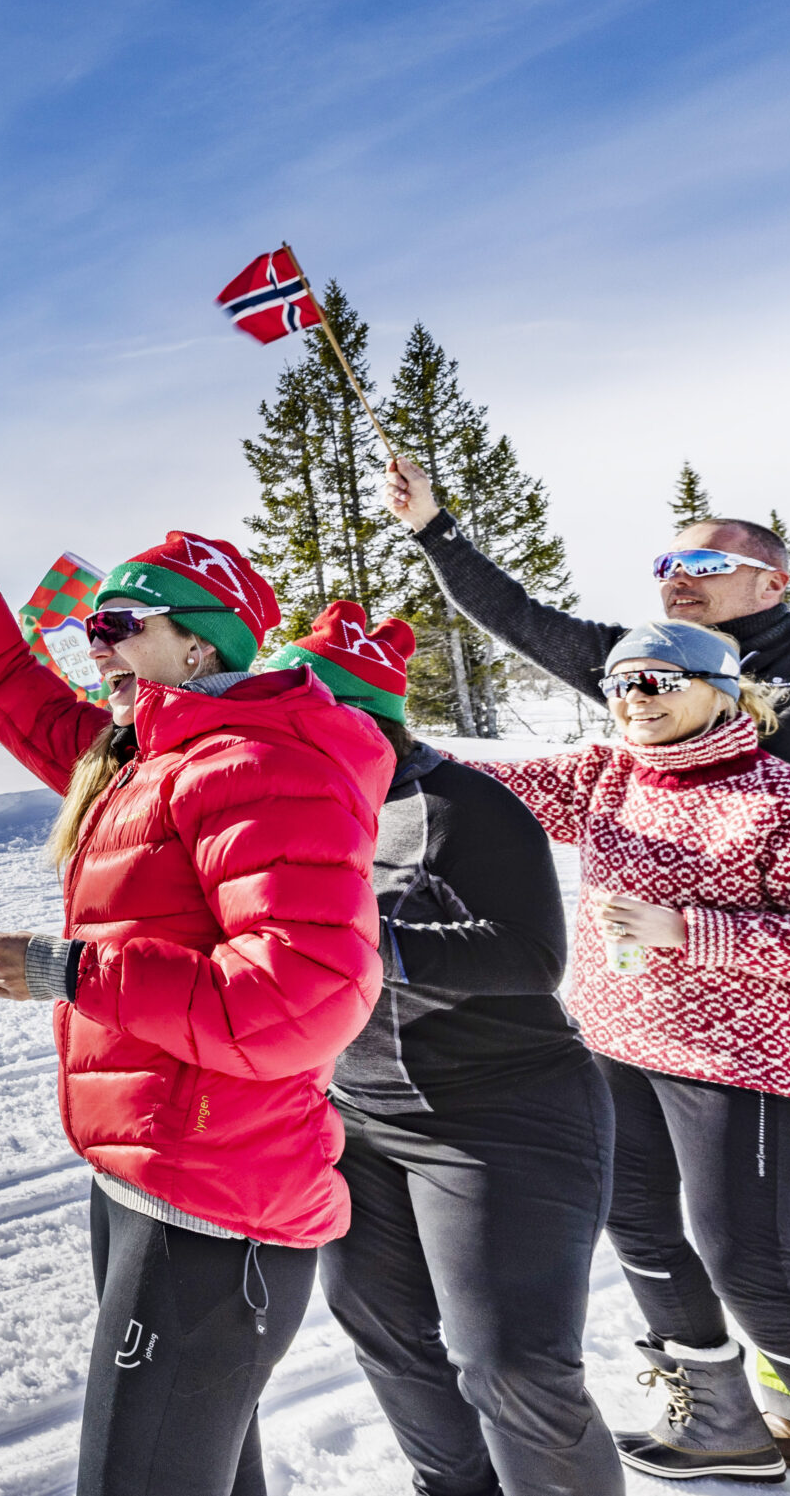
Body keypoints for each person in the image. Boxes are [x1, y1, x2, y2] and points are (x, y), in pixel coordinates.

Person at [388, 461, 790, 1459]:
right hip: (651, 1015)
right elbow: (521, 622)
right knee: (742, 1222)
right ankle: (765, 1408)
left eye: (704, 560)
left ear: (771, 581)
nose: (675, 574)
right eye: (666, 559)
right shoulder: (644, 677)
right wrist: (435, 530)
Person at [0, 499, 390, 1496]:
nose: (97, 644)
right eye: (91, 626)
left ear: (199, 646)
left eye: (121, 625)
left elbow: (304, 996)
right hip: (145, 1180)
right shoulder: (146, 757)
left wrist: (72, 969)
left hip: (214, 1209)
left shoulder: (257, 765)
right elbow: (15, 694)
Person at [470, 620, 790, 1489]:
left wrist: (691, 930)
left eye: (660, 679)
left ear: (723, 688)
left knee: (751, 1270)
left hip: (739, 1068)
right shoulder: (602, 777)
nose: (636, 698)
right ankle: (720, 1424)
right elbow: (475, 784)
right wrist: (348, 720)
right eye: (622, 681)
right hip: (614, 1045)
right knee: (637, 1232)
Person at [265, 603, 621, 1496]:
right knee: (388, 1335)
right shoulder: (294, 807)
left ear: (347, 715)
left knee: (510, 1361)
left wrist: (361, 939)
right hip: (363, 1115)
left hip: (504, 1113)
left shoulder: (465, 804)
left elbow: (531, 956)